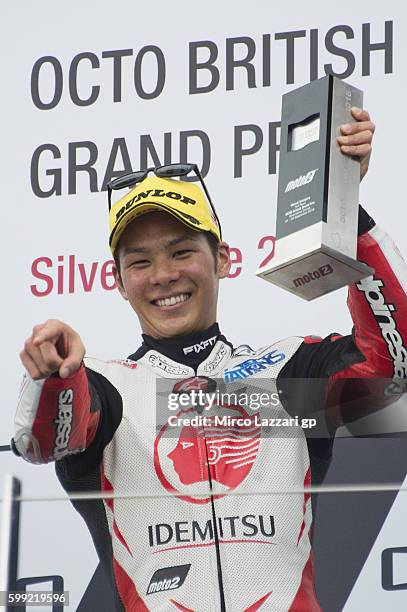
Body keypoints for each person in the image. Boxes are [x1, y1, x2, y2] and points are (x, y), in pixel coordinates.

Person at [13, 108, 407, 611]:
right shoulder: (108, 392)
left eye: (181, 252)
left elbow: (394, 366)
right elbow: (45, 440)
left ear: (222, 258)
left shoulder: (287, 377)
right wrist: (54, 374)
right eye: (139, 261)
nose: (162, 275)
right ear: (117, 282)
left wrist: (347, 210)